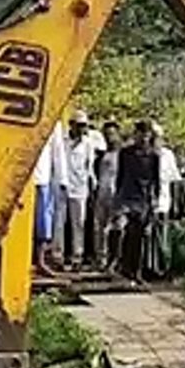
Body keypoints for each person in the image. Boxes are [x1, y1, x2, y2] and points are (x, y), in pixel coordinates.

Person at [114, 119, 161, 282]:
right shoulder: (125, 153)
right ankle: (122, 265)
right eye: (141, 134)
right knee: (123, 231)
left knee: (140, 236)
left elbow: (156, 179)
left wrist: (154, 199)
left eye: (147, 134)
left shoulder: (154, 156)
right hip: (127, 195)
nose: (144, 138)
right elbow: (120, 176)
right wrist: (118, 198)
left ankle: (136, 270)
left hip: (143, 198)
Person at [62, 111, 97, 271]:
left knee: (78, 223)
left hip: (80, 186)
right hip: (63, 185)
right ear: (72, 125)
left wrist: (91, 187)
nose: (82, 129)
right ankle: (60, 255)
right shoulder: (63, 141)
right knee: (61, 223)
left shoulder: (88, 143)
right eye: (79, 125)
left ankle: (78, 255)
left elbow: (89, 167)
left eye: (84, 126)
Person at [32, 121, 68, 277]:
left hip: (41, 179)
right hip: (22, 180)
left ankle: (40, 261)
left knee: (43, 223)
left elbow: (58, 152)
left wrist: (62, 179)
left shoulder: (54, 122)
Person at [149, 124, 183, 278]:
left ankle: (164, 267)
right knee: (149, 238)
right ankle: (151, 267)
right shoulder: (145, 154)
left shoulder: (168, 155)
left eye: (157, 138)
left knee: (163, 237)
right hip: (147, 203)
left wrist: (175, 203)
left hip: (163, 202)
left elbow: (175, 180)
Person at [94, 120, 123, 270]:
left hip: (116, 194)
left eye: (112, 134)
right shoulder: (101, 154)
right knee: (100, 227)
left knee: (115, 228)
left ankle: (115, 259)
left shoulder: (123, 154)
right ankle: (101, 259)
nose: (109, 137)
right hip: (102, 192)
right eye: (106, 134)